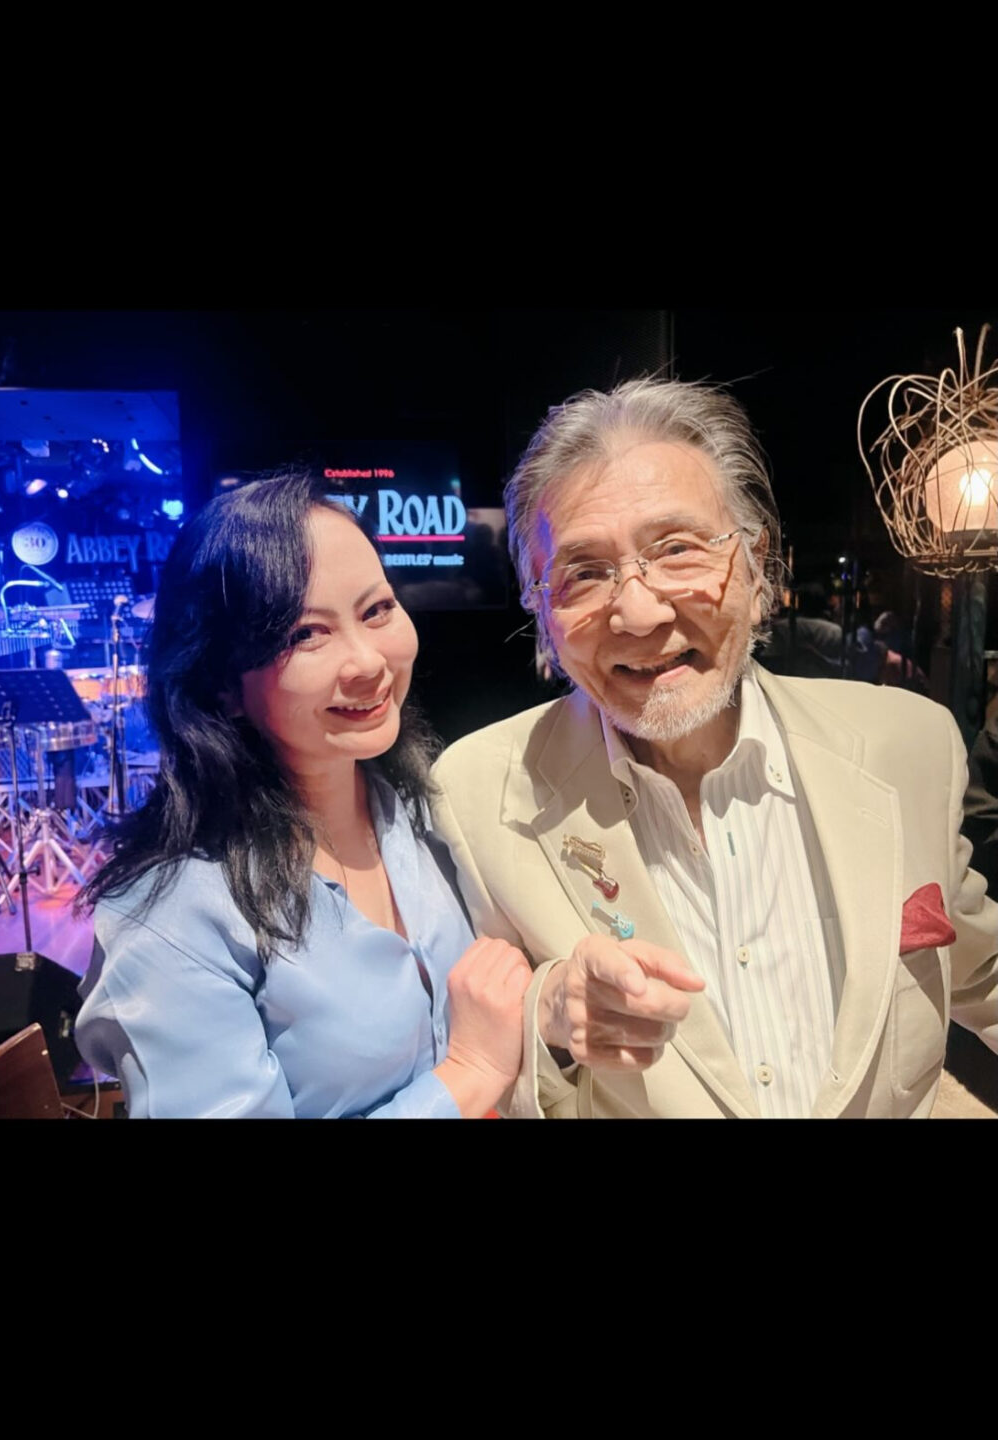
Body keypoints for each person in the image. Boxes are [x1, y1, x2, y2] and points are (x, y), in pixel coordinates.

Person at [431, 376, 998, 1119]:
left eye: (676, 549)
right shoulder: (479, 794)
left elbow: (978, 969)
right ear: (542, 613)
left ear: (758, 570)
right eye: (584, 573)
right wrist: (553, 1012)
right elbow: (477, 1046)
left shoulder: (907, 744)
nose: (637, 612)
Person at [74, 473, 531, 1118]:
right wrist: (470, 1075)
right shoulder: (171, 918)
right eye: (306, 634)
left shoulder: (425, 812)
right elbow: (478, 1058)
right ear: (221, 684)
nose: (368, 662)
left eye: (376, 610)